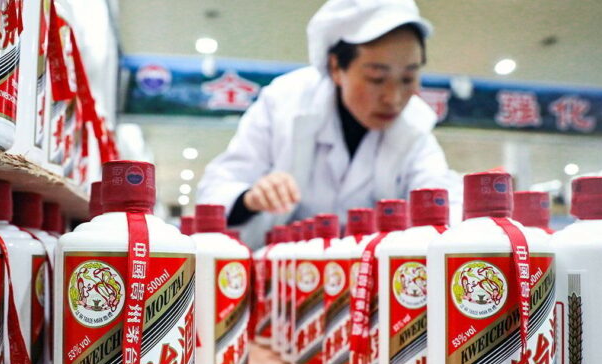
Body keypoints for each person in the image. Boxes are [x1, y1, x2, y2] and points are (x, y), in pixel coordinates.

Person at [197, 0, 461, 248]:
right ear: (336, 68)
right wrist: (250, 197)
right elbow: (217, 189)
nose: (393, 98)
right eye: (376, 79)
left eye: (408, 78)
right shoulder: (284, 103)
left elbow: (440, 193)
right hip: (282, 277)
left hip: (368, 280)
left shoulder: (414, 125)